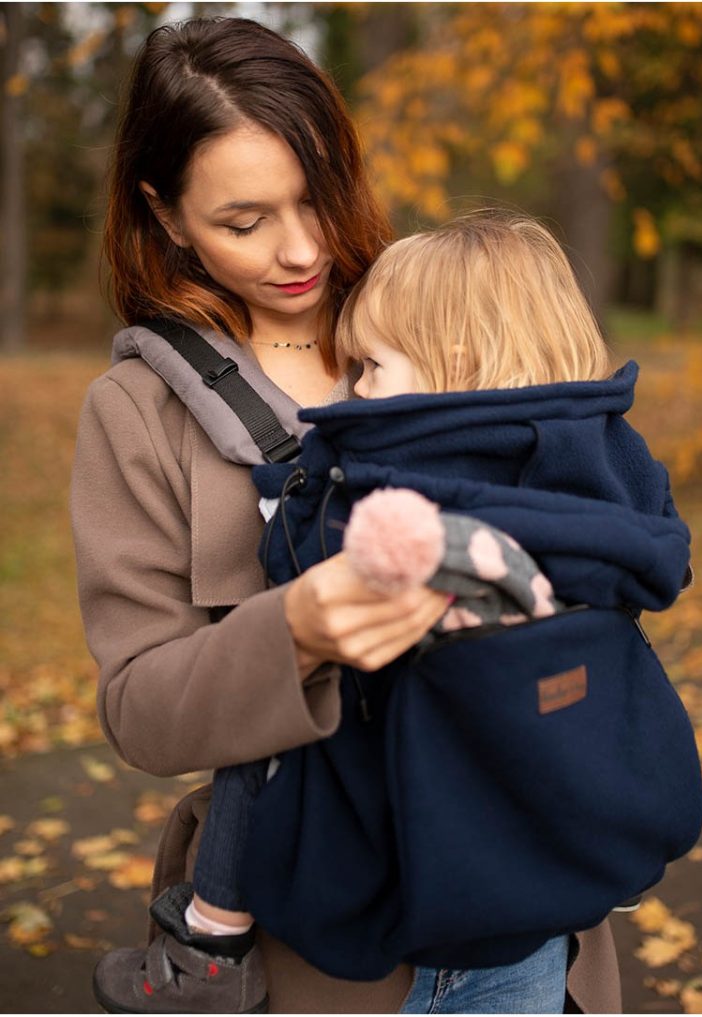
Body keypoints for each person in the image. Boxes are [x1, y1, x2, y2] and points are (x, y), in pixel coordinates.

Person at [71, 15, 623, 1016]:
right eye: (244, 221)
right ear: (165, 213)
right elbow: (139, 708)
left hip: (534, 917)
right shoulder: (138, 415)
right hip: (318, 953)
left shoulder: (434, 307)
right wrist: (293, 634)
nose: (301, 248)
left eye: (317, 197)